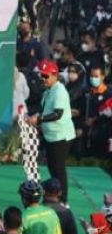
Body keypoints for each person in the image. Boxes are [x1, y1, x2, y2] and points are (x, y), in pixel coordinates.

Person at [28, 60, 75, 202]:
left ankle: (63, 201)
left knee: (58, 170)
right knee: (53, 168)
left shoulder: (59, 91)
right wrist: (35, 118)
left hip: (61, 136)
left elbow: (58, 114)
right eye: (41, 75)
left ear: (55, 75)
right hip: (52, 136)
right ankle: (56, 196)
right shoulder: (49, 90)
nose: (43, 79)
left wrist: (40, 120)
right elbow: (43, 110)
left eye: (46, 76)